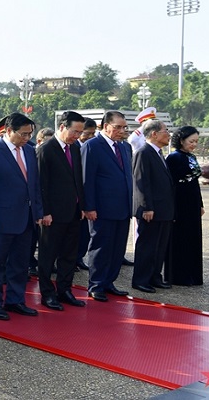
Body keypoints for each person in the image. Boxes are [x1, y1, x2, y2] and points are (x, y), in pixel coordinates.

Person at [0, 112, 43, 321]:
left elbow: (34, 185)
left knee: (20, 263)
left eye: (29, 134)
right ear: (8, 131)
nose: (26, 138)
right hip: (0, 220)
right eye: (23, 134)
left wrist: (38, 213)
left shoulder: (30, 151)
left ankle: (15, 300)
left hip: (26, 218)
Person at [36, 111, 87, 311]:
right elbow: (41, 184)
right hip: (53, 214)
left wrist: (82, 205)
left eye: (80, 132)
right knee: (48, 256)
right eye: (75, 131)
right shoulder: (46, 150)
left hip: (73, 212)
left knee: (69, 254)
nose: (78, 136)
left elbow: (78, 181)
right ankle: (47, 294)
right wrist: (45, 212)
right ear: (63, 127)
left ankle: (64, 290)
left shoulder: (74, 148)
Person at [81, 111, 133, 303]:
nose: (122, 131)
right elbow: (87, 179)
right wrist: (89, 206)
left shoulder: (125, 147)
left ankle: (109, 282)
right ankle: (96, 284)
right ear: (105, 126)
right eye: (118, 127)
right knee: (101, 247)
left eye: (124, 127)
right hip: (101, 209)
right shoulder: (92, 146)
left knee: (117, 248)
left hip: (123, 207)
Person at [131, 119, 174, 293]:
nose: (169, 134)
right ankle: (141, 280)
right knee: (147, 246)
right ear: (154, 134)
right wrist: (146, 207)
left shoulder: (158, 153)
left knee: (159, 246)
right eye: (166, 131)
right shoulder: (144, 152)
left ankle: (155, 276)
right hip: (151, 210)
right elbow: (141, 182)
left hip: (163, 209)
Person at [165, 126, 205, 286]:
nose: (194, 144)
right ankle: (179, 276)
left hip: (193, 202)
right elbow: (171, 186)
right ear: (181, 140)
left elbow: (195, 183)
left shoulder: (192, 157)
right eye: (191, 141)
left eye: (196, 141)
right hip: (180, 203)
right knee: (180, 239)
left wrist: (200, 204)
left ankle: (193, 275)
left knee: (193, 238)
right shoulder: (173, 158)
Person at [75, 117, 98, 271]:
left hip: (87, 198)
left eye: (93, 133)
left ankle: (79, 257)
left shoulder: (93, 147)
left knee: (84, 233)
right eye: (87, 133)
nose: (90, 136)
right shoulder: (74, 146)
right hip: (75, 199)